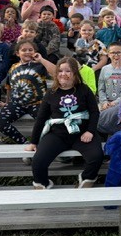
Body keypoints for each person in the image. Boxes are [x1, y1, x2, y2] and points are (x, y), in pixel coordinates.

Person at [24, 57, 103, 189]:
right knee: (38, 162)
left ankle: (85, 179)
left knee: (96, 157)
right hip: (58, 134)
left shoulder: (84, 90)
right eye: (60, 71)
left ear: (75, 73)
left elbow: (95, 112)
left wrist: (90, 131)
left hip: (82, 133)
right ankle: (43, 184)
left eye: (68, 71)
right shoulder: (51, 93)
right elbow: (41, 118)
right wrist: (34, 142)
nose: (63, 74)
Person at [0, 40, 56, 144]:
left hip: (38, 103)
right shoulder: (13, 67)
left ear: (35, 52)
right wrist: (8, 102)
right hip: (17, 104)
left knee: (48, 123)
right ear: (17, 53)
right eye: (24, 50)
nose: (27, 52)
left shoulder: (40, 66)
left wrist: (41, 60)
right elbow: (9, 87)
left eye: (30, 50)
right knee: (0, 120)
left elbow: (56, 72)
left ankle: (41, 144)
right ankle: (23, 142)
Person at [96, 42, 121, 136]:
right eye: (113, 53)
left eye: (118, 52)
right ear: (108, 54)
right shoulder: (104, 69)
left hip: (120, 103)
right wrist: (104, 102)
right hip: (106, 103)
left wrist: (115, 102)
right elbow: (101, 88)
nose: (116, 55)